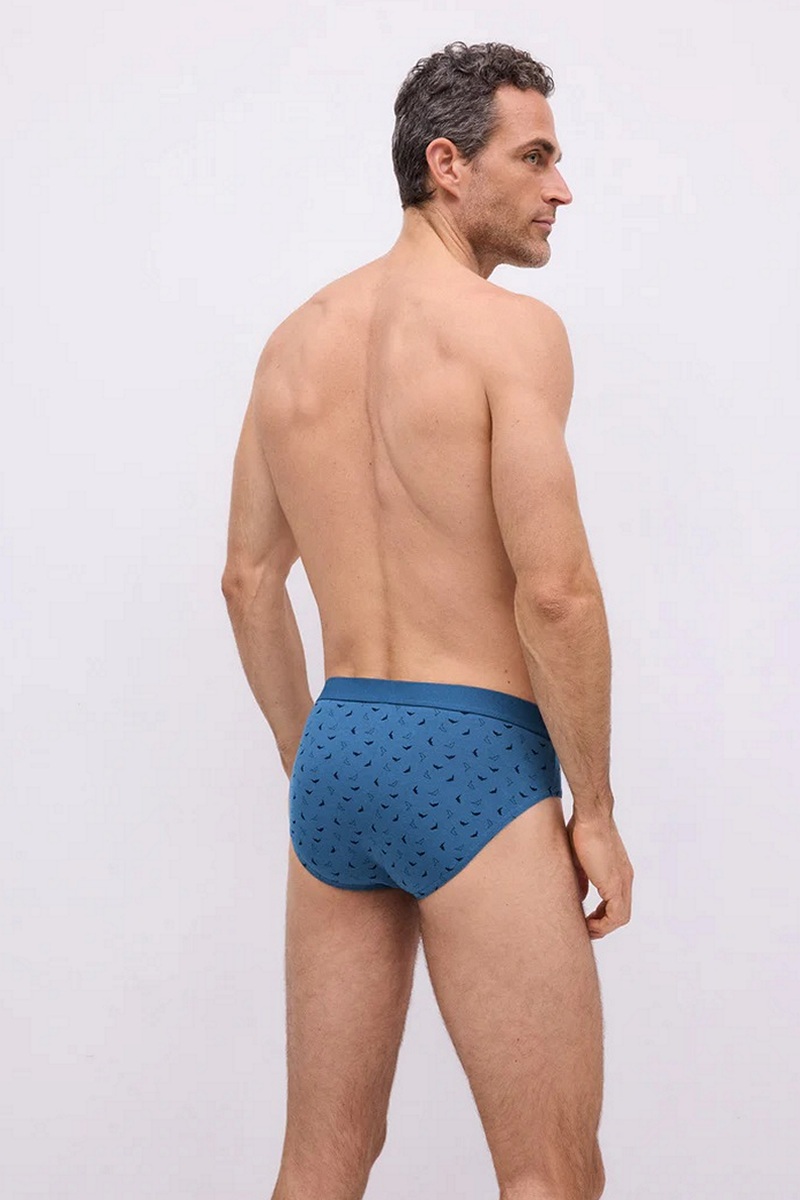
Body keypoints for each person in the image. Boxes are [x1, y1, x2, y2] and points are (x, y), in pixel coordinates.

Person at [222, 39, 634, 1200]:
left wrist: (308, 755)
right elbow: (553, 590)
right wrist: (594, 809)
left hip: (339, 755)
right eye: (534, 157)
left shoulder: (293, 341)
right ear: (447, 165)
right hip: (473, 756)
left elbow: (247, 580)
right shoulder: (508, 333)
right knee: (549, 1174)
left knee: (320, 1164)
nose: (560, 188)